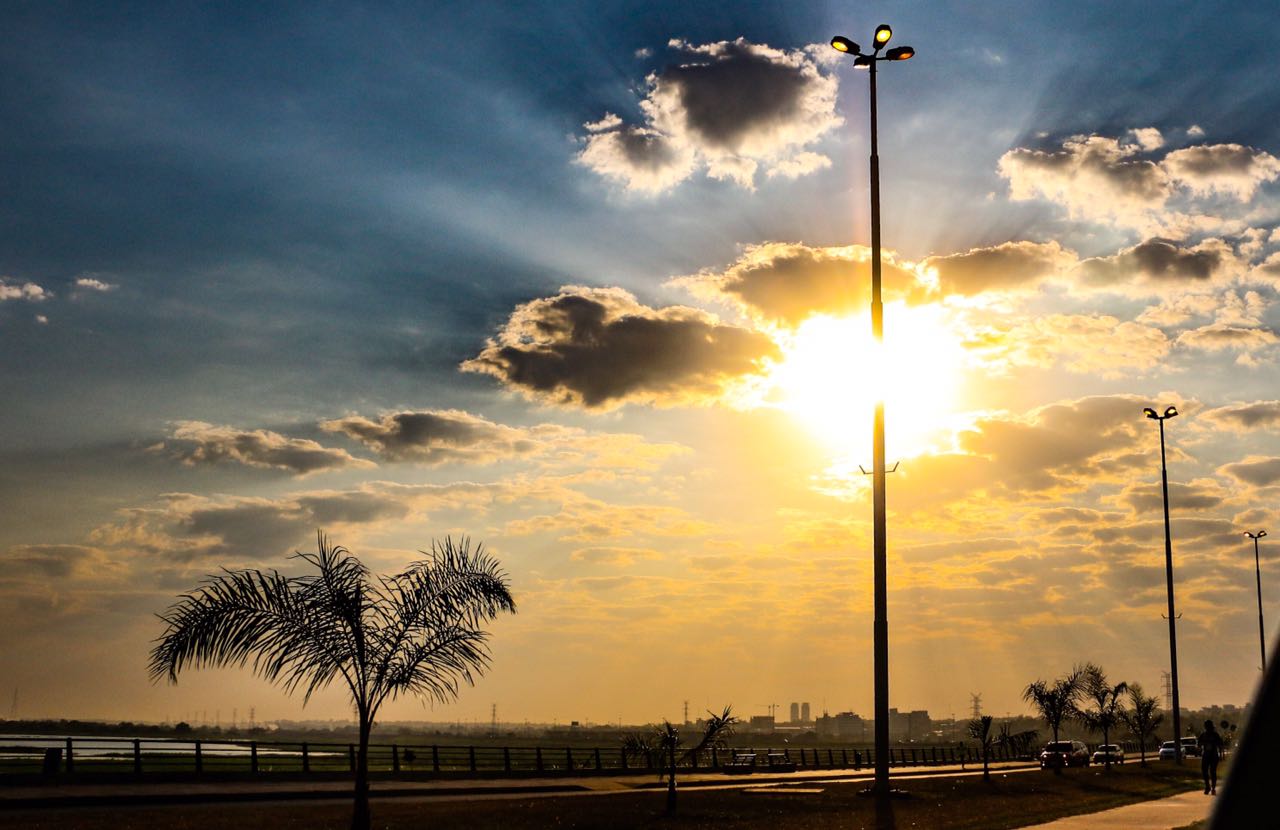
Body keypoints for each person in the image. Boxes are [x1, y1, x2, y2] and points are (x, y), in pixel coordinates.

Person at [1197, 719, 1225, 794]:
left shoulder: (1215, 735)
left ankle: (1212, 788)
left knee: (1212, 771)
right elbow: (1199, 744)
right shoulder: (1203, 735)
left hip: (1213, 755)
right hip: (1206, 755)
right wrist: (1202, 745)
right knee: (1205, 771)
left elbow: (1220, 745)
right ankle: (1208, 786)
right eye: (1206, 726)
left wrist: (1222, 755)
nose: (1207, 728)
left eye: (1208, 726)